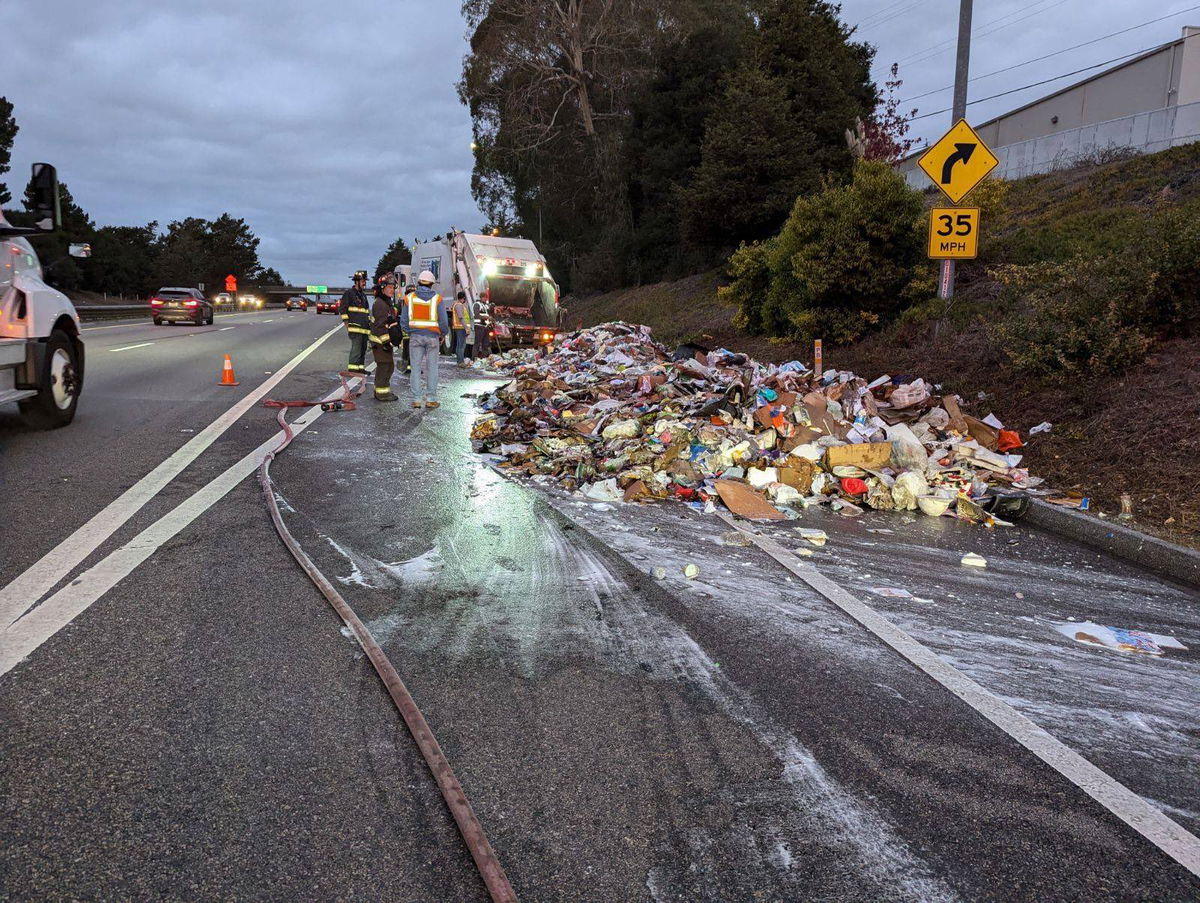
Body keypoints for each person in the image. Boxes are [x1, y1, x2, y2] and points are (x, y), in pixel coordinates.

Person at [401, 269, 449, 408]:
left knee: (415, 368)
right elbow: (444, 322)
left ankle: (417, 399)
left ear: (418, 282)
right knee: (432, 368)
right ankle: (431, 399)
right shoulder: (437, 299)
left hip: (415, 336)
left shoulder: (409, 298)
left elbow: (403, 320)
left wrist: (410, 331)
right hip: (433, 337)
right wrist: (442, 334)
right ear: (432, 284)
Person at [369, 275, 399, 402]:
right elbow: (380, 326)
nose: (392, 290)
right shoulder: (381, 304)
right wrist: (386, 342)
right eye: (389, 287)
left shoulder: (386, 302)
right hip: (380, 342)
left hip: (382, 341)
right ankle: (382, 393)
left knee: (388, 366)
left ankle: (380, 390)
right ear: (382, 288)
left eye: (393, 287)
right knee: (385, 366)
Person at [338, 270, 371, 374]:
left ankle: (360, 368)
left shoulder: (363, 295)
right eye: (362, 281)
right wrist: (346, 323)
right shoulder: (349, 294)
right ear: (356, 282)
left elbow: (366, 312)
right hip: (355, 326)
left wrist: (369, 325)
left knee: (362, 349)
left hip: (364, 328)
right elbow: (343, 309)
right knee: (356, 349)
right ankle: (353, 368)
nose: (364, 283)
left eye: (365, 281)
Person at [450, 291, 472, 367]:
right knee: (461, 345)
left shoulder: (457, 305)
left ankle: (459, 361)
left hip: (459, 327)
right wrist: (466, 328)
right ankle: (461, 362)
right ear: (463, 298)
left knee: (460, 345)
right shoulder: (459, 305)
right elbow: (461, 317)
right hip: (461, 328)